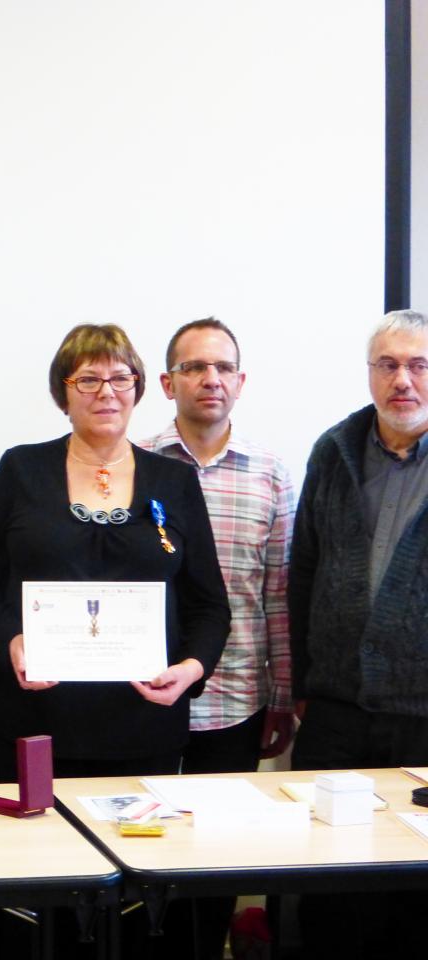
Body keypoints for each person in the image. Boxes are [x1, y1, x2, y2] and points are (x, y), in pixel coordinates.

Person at [0, 323, 230, 780]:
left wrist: (191, 669)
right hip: (32, 719)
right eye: (87, 379)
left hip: (144, 723)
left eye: (121, 378)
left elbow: (209, 604)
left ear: (137, 389)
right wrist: (12, 643)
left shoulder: (175, 481)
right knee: (32, 850)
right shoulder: (21, 469)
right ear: (63, 393)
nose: (107, 392)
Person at [139, 318, 294, 960]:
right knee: (147, 854)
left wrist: (284, 692)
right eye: (196, 368)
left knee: (216, 861)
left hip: (235, 702)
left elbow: (279, 593)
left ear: (241, 381)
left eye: (223, 368)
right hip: (145, 699)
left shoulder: (271, 474)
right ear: (168, 381)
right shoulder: (134, 466)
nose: (211, 379)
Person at [289, 309, 428, 957]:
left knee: (412, 899)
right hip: (336, 716)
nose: (404, 380)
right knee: (332, 891)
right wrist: (296, 683)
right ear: (370, 373)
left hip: (423, 720)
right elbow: (305, 567)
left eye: (419, 365)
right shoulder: (334, 451)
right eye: (389, 364)